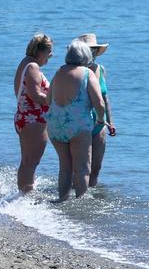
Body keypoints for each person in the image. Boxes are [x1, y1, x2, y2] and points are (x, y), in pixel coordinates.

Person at [46, 40, 106, 201]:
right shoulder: (87, 73)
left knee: (65, 168)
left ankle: (62, 200)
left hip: (55, 125)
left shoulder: (59, 72)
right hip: (78, 127)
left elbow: (47, 99)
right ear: (86, 56)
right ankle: (80, 206)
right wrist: (101, 120)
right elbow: (99, 102)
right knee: (82, 169)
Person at [13, 34, 52, 193]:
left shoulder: (24, 64)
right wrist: (57, 101)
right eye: (49, 51)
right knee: (31, 162)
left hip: (25, 117)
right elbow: (35, 95)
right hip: (33, 119)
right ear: (40, 51)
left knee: (27, 161)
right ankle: (25, 199)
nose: (51, 55)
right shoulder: (33, 67)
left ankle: (23, 195)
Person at [78, 32, 117, 187]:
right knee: (82, 167)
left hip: (100, 124)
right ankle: (77, 196)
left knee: (97, 166)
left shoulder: (100, 69)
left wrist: (111, 122)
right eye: (89, 50)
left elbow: (105, 97)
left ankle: (91, 198)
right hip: (80, 124)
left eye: (94, 50)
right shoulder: (75, 71)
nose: (92, 53)